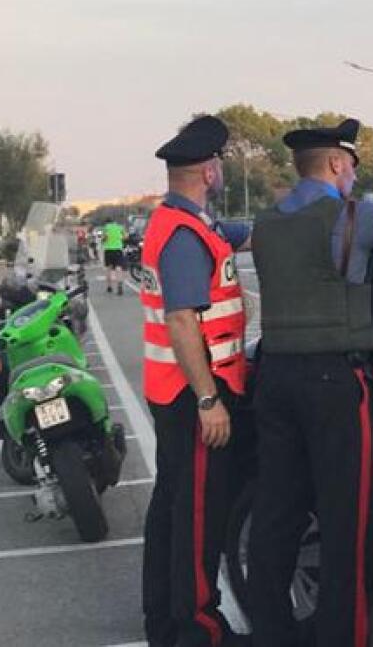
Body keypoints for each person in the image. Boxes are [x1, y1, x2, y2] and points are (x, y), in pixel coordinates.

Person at [248, 118, 373, 647]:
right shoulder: (355, 216)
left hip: (273, 377)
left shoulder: (265, 223)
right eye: (351, 168)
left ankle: (271, 632)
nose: (353, 178)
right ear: (337, 163)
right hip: (332, 382)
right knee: (345, 522)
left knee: (276, 515)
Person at [140, 115, 251, 647]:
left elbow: (238, 235)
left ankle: (164, 624)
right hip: (193, 396)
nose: (222, 170)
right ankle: (199, 630)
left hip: (170, 390)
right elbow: (182, 321)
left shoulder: (182, 222)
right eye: (220, 162)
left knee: (171, 510)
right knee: (197, 517)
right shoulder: (184, 235)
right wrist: (210, 400)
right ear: (208, 172)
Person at [103, 218, 127, 295]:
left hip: (108, 250)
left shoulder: (106, 227)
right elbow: (125, 237)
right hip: (118, 250)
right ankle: (119, 285)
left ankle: (109, 287)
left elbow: (104, 238)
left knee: (108, 268)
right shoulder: (120, 227)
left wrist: (104, 240)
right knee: (118, 268)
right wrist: (119, 239)